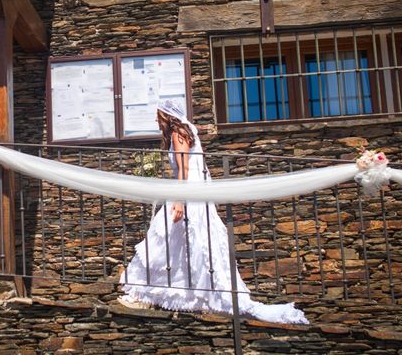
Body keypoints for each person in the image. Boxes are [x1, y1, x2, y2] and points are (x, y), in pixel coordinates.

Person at [119, 99, 308, 324]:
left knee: (165, 242)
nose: (155, 119)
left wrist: (179, 200)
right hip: (195, 194)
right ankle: (164, 292)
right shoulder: (185, 132)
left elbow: (185, 168)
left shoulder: (178, 134)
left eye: (157, 115)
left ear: (166, 115)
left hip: (187, 194)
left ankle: (147, 293)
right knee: (182, 245)